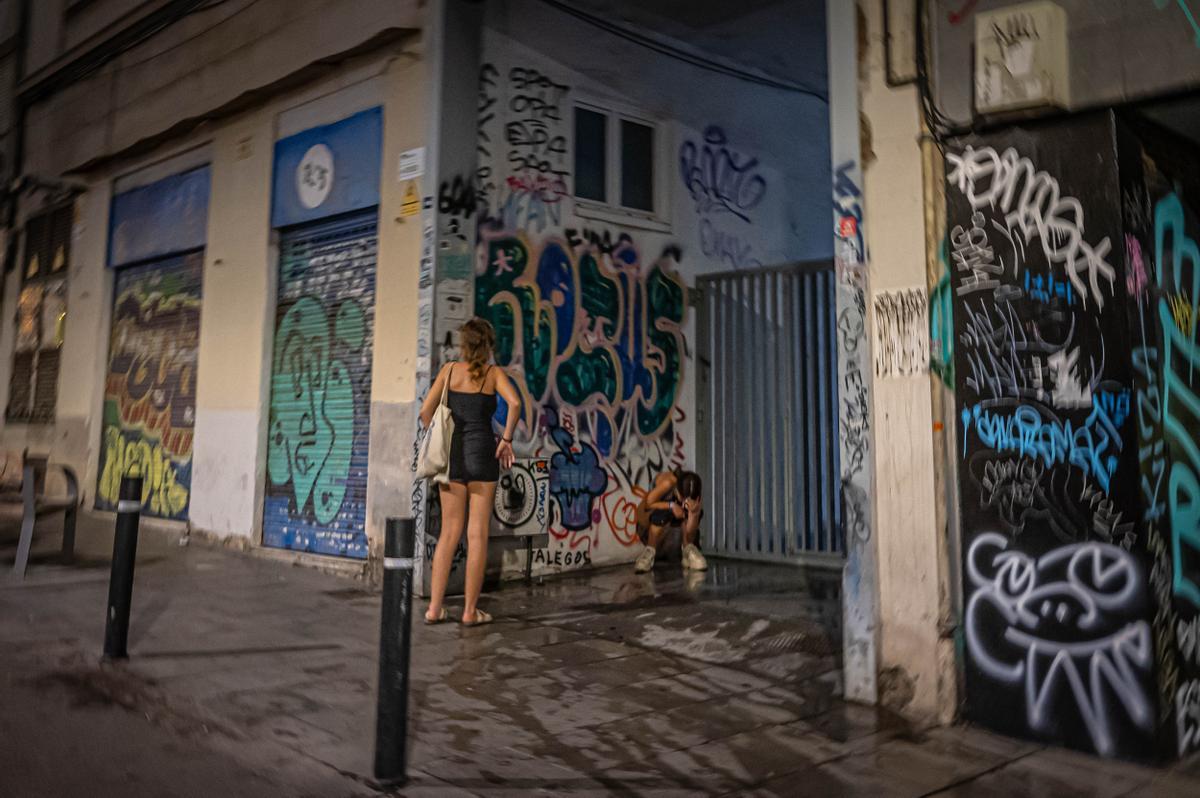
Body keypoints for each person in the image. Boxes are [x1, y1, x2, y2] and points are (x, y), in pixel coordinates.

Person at [419, 318, 519, 626]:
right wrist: (506, 440)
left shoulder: (449, 371)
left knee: (449, 533)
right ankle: (469, 612)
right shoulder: (492, 374)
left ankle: (435, 608)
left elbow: (425, 412)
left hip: (452, 458)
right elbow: (514, 403)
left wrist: (441, 434)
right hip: (482, 457)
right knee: (477, 535)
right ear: (488, 346)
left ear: (463, 345)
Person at [633, 469, 707, 573]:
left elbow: (690, 531)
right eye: (683, 499)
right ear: (677, 490)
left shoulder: (693, 494)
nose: (685, 502)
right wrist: (671, 506)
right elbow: (648, 504)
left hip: (671, 533)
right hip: (646, 527)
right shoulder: (668, 483)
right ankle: (649, 552)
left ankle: (688, 550)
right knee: (665, 510)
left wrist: (693, 514)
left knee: (690, 511)